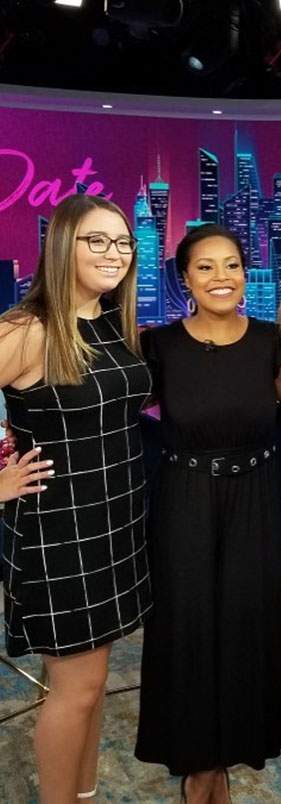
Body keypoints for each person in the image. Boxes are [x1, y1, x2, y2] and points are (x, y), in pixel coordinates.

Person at [134, 224, 281, 804]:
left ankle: (226, 757)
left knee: (246, 628)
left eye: (231, 265)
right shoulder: (160, 346)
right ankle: (200, 766)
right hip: (184, 498)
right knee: (188, 630)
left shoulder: (273, 341)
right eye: (206, 267)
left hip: (254, 498)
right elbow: (113, 415)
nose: (221, 277)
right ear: (185, 280)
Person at [0, 193, 152, 804]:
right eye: (97, 240)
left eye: (123, 242)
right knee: (77, 691)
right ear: (62, 245)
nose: (114, 253)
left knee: (91, 686)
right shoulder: (27, 329)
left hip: (117, 526)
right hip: (60, 535)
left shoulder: (113, 321)